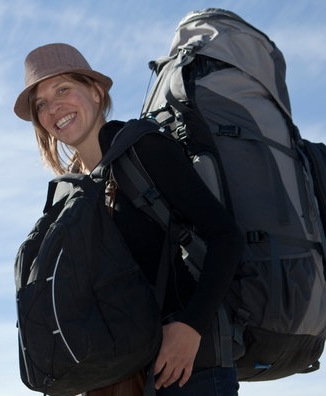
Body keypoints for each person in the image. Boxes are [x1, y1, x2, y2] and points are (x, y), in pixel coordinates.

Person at [13, 43, 244, 396]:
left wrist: (191, 327)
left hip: (190, 372)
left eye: (62, 89)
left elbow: (225, 236)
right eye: (40, 104)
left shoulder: (143, 148)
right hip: (124, 376)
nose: (52, 107)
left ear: (95, 91)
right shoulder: (76, 192)